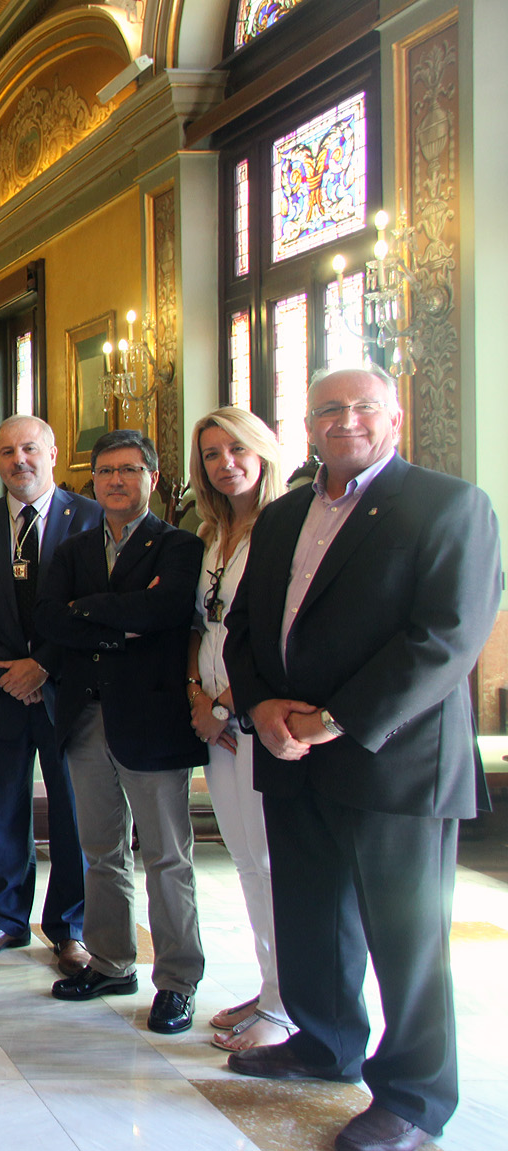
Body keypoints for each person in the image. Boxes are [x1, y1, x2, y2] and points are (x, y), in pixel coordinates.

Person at [223, 367, 501, 1151]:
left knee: (407, 940)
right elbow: (245, 625)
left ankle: (414, 1096)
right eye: (328, 410)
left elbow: (445, 637)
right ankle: (325, 1042)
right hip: (291, 748)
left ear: (394, 417)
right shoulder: (284, 515)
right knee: (310, 914)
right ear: (308, 426)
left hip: (394, 760)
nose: (345, 420)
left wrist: (331, 719)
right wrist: (263, 705)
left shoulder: (448, 505)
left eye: (363, 407)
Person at [36, 429, 206, 1035]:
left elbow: (165, 613)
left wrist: (90, 611)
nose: (115, 480)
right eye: (106, 471)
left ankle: (178, 981)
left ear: (152, 478)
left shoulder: (179, 546)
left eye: (129, 470)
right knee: (101, 849)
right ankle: (111, 962)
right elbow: (50, 619)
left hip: (152, 719)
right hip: (85, 716)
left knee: (166, 855)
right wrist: (122, 618)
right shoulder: (74, 550)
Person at [0, 416, 98, 973]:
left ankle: (70, 928)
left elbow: (93, 605)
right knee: (5, 808)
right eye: (7, 452)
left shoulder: (92, 519)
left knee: (72, 810)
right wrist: (8, 671)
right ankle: (5, 919)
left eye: (29, 448)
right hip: (0, 689)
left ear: (52, 452)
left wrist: (43, 667)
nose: (19, 461)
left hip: (67, 691)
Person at [183, 408, 295, 1051]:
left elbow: (276, 634)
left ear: (262, 452)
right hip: (216, 719)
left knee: (273, 862)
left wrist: (226, 706)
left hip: (256, 717)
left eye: (236, 450)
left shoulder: (284, 528)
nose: (225, 464)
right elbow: (200, 626)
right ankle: (270, 986)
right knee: (248, 862)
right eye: (211, 455)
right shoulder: (210, 534)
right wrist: (198, 697)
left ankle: (287, 1004)